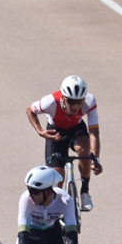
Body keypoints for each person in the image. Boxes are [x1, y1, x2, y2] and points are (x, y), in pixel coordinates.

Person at [26, 75, 102, 211]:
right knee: (57, 178)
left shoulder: (90, 101)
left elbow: (94, 132)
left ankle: (85, 192)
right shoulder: (51, 101)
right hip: (56, 132)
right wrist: (40, 131)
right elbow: (30, 110)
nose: (75, 106)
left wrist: (95, 158)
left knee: (84, 149)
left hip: (76, 129)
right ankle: (55, 211)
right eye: (71, 101)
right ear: (63, 98)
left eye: (79, 102)